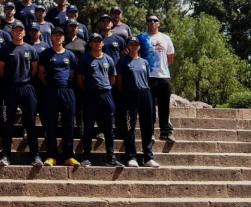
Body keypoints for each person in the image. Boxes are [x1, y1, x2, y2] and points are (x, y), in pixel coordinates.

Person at [0, 21, 41, 167]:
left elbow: (34, 69)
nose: (18, 32)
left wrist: (25, 81)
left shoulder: (30, 49)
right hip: (10, 88)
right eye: (16, 30)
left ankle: (35, 155)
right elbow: (1, 69)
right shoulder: (5, 49)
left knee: (30, 123)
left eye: (21, 30)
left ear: (24, 32)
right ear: (12, 33)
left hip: (27, 87)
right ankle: (5, 155)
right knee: (7, 123)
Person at [77, 34, 123, 168]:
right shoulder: (85, 59)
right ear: (90, 44)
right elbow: (79, 78)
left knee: (109, 129)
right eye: (94, 41)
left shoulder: (108, 59)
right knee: (89, 128)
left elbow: (112, 78)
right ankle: (86, 157)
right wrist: (88, 90)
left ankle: (111, 158)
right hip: (91, 95)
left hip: (106, 94)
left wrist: (105, 88)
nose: (97, 44)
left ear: (102, 44)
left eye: (99, 41)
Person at [36, 27, 79, 167]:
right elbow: (40, 73)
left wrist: (64, 85)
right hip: (50, 91)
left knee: (68, 124)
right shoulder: (45, 54)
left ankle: (68, 156)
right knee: (51, 124)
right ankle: (51, 156)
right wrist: (49, 84)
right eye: (55, 35)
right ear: (51, 37)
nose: (58, 37)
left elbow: (72, 74)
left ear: (63, 38)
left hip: (67, 91)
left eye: (60, 35)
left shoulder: (70, 55)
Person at [116, 36, 159, 168]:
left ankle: (148, 156)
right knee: (129, 126)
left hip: (145, 94)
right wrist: (126, 93)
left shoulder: (144, 62)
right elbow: (119, 81)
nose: (134, 46)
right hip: (130, 95)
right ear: (128, 46)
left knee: (147, 126)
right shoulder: (122, 61)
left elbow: (146, 78)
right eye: (131, 44)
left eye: (136, 44)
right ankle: (131, 156)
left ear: (139, 46)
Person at [138, 14, 176, 143]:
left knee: (164, 106)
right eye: (149, 20)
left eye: (155, 21)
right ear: (146, 23)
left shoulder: (165, 38)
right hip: (147, 77)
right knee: (149, 107)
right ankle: (150, 132)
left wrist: (161, 67)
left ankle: (166, 131)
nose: (152, 23)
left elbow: (170, 57)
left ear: (159, 24)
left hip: (163, 76)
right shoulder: (141, 38)